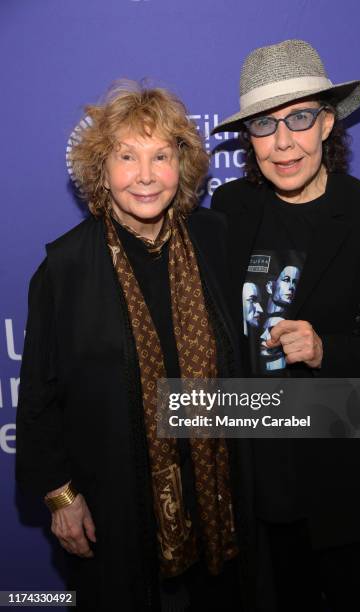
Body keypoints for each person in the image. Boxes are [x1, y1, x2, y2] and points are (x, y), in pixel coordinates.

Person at [15, 81, 245, 612]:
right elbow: (39, 400)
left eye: (161, 155)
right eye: (127, 156)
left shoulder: (216, 239)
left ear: (181, 166)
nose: (145, 175)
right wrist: (61, 498)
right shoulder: (65, 268)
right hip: (115, 501)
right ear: (102, 169)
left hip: (218, 498)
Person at [212, 39, 360, 611]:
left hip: (343, 481)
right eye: (265, 125)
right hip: (253, 482)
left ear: (327, 123)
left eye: (299, 118)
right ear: (249, 139)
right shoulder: (229, 210)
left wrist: (330, 352)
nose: (283, 142)